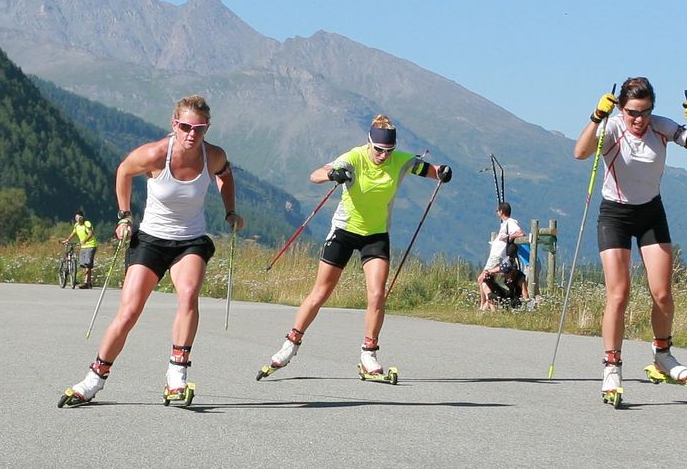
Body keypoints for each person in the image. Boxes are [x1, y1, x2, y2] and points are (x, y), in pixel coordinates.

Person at [60, 95, 244, 406]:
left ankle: (177, 375)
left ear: (206, 129)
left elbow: (225, 175)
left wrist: (230, 212)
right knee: (129, 311)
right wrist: (124, 216)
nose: (191, 134)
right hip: (151, 240)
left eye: (199, 129)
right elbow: (123, 172)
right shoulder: (156, 154)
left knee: (188, 294)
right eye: (185, 126)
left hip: (190, 239)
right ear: (175, 124)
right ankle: (93, 380)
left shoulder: (212, 156)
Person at [260, 114, 452, 378]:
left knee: (376, 294)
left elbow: (429, 169)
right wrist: (332, 174)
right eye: (379, 150)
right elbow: (314, 175)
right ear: (369, 143)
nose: (384, 156)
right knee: (321, 293)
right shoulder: (354, 157)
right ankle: (290, 345)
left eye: (389, 151)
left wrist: (442, 172)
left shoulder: (400, 161)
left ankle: (368, 354)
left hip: (375, 235)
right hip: (344, 231)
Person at [573, 77, 687, 398]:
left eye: (646, 112)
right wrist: (596, 116)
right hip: (616, 215)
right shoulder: (611, 128)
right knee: (618, 295)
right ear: (621, 108)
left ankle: (662, 356)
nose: (640, 120)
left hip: (651, 213)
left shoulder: (661, 127)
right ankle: (611, 367)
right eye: (633, 112)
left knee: (662, 293)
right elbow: (579, 153)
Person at [477, 202, 524, 311]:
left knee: (482, 279)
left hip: (497, 257)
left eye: (498, 211)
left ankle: (483, 305)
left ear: (501, 211)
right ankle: (489, 305)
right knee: (487, 281)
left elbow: (520, 233)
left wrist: (509, 237)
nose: (497, 212)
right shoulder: (505, 224)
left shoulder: (510, 222)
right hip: (495, 256)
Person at [60, 210, 98, 289]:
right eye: (76, 218)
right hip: (83, 246)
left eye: (79, 217)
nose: (78, 219)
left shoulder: (86, 223)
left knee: (88, 264)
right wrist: (68, 240)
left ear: (82, 217)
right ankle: (86, 281)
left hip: (91, 245)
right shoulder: (76, 225)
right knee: (83, 264)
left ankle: (86, 282)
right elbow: (74, 233)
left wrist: (84, 240)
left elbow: (91, 233)